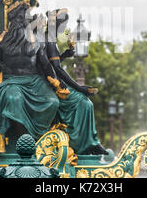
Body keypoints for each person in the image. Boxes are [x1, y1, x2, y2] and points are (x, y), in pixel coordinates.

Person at [0, 0, 66, 151]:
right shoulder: (1, 39)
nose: (22, 22)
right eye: (19, 19)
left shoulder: (36, 39)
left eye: (24, 19)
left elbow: (45, 63)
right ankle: (25, 142)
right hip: (11, 80)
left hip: (34, 81)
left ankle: (38, 137)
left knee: (52, 102)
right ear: (12, 20)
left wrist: (55, 81)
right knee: (13, 99)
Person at [45, 9, 108, 155]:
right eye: (63, 25)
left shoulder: (49, 39)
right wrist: (79, 88)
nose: (64, 29)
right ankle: (84, 144)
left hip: (53, 80)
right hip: (51, 83)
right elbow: (58, 70)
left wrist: (65, 55)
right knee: (84, 102)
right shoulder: (48, 40)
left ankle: (91, 142)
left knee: (85, 102)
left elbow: (53, 64)